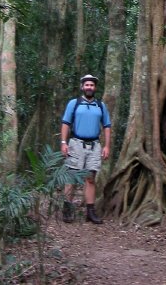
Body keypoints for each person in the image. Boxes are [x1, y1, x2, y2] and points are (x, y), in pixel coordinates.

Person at [60, 73, 111, 224]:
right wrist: (63, 142)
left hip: (94, 145)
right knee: (71, 177)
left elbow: (107, 126)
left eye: (92, 85)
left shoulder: (100, 106)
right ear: (82, 87)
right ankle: (67, 210)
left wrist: (107, 146)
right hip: (76, 143)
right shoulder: (74, 103)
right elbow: (65, 123)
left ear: (95, 88)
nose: (89, 87)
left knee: (90, 178)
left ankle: (90, 212)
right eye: (87, 85)